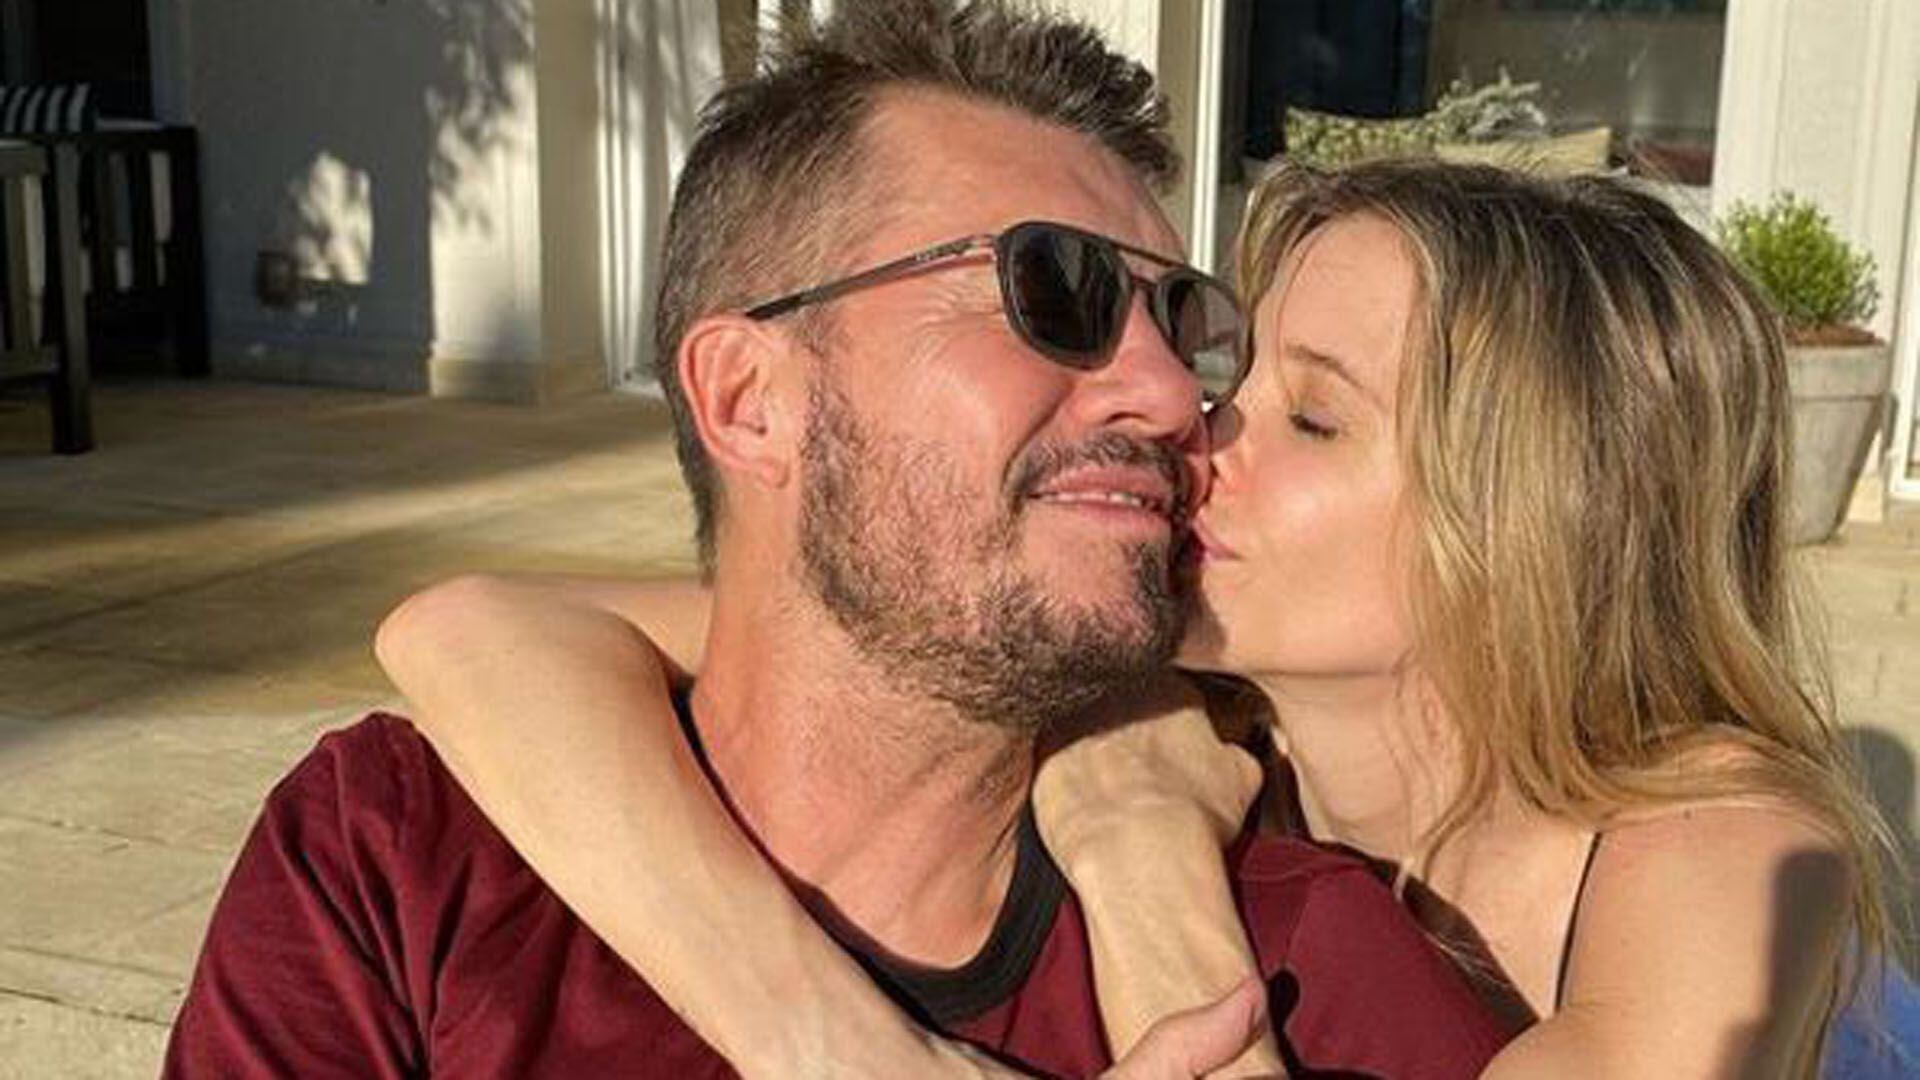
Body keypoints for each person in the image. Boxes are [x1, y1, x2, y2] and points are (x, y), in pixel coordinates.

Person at [165, 3, 1513, 1077]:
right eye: (1056, 292)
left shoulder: (1296, 981)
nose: (1173, 398)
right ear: (752, 401)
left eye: (1182, 323)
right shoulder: (401, 859)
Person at [374, 156, 1910, 1076]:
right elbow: (474, 633)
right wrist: (828, 1042)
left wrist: (1140, 848)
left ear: (1534, 524)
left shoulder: (1719, 844)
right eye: (1239, 380)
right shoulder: (1186, 702)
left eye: (1314, 419)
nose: (1193, 428)